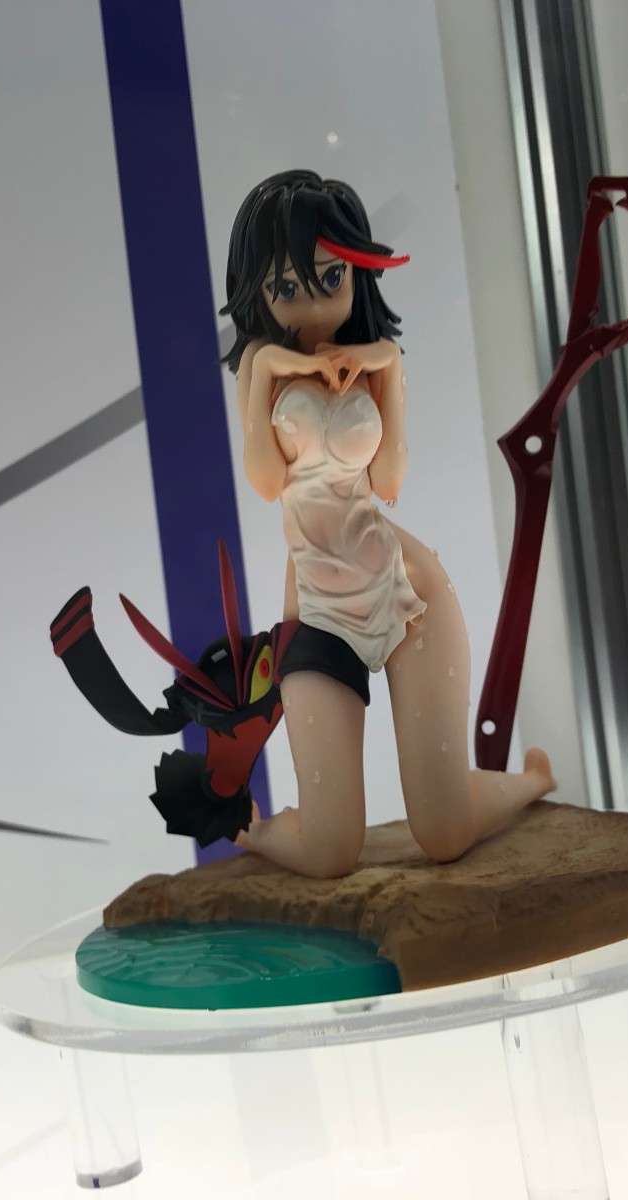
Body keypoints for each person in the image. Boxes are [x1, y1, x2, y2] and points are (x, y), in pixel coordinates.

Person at [219, 169, 554, 879]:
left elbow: (389, 483)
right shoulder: (259, 369)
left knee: (443, 832)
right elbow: (268, 482)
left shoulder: (375, 364)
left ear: (357, 275)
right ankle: (259, 829)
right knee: (330, 851)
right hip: (317, 607)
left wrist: (387, 367)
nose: (312, 302)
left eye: (330, 277)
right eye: (285, 287)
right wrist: (266, 371)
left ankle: (528, 784)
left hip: (408, 593)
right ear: (257, 292)